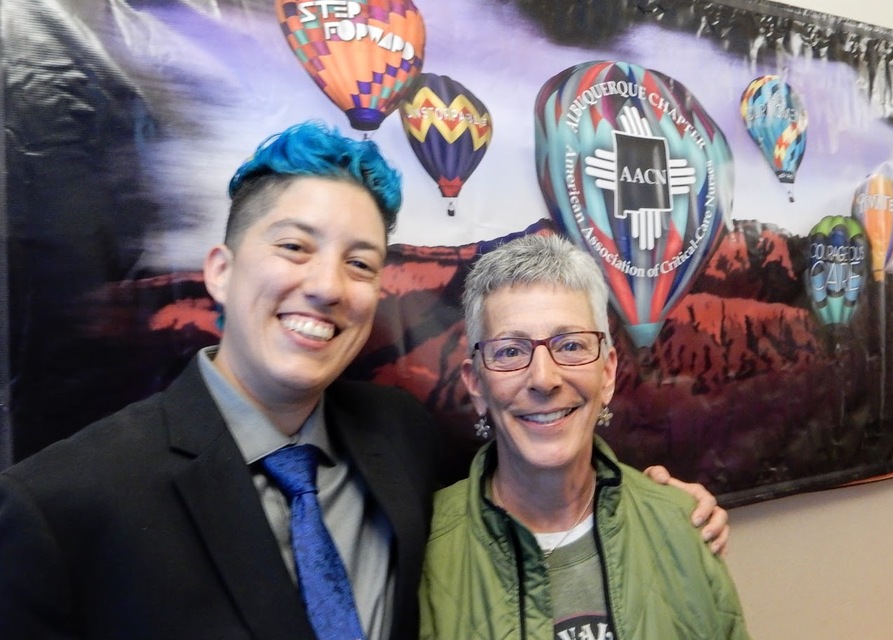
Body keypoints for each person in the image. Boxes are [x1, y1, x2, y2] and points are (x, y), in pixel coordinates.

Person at [0, 121, 727, 640]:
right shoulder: (61, 508)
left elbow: (537, 441)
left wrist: (660, 505)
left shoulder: (398, 436)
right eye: (294, 246)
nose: (325, 286)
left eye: (358, 263)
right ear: (219, 271)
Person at [418, 234, 750, 639]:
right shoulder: (421, 549)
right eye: (510, 351)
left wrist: (671, 513)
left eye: (571, 345)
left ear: (607, 373)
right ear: (476, 385)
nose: (544, 379)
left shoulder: (685, 525)